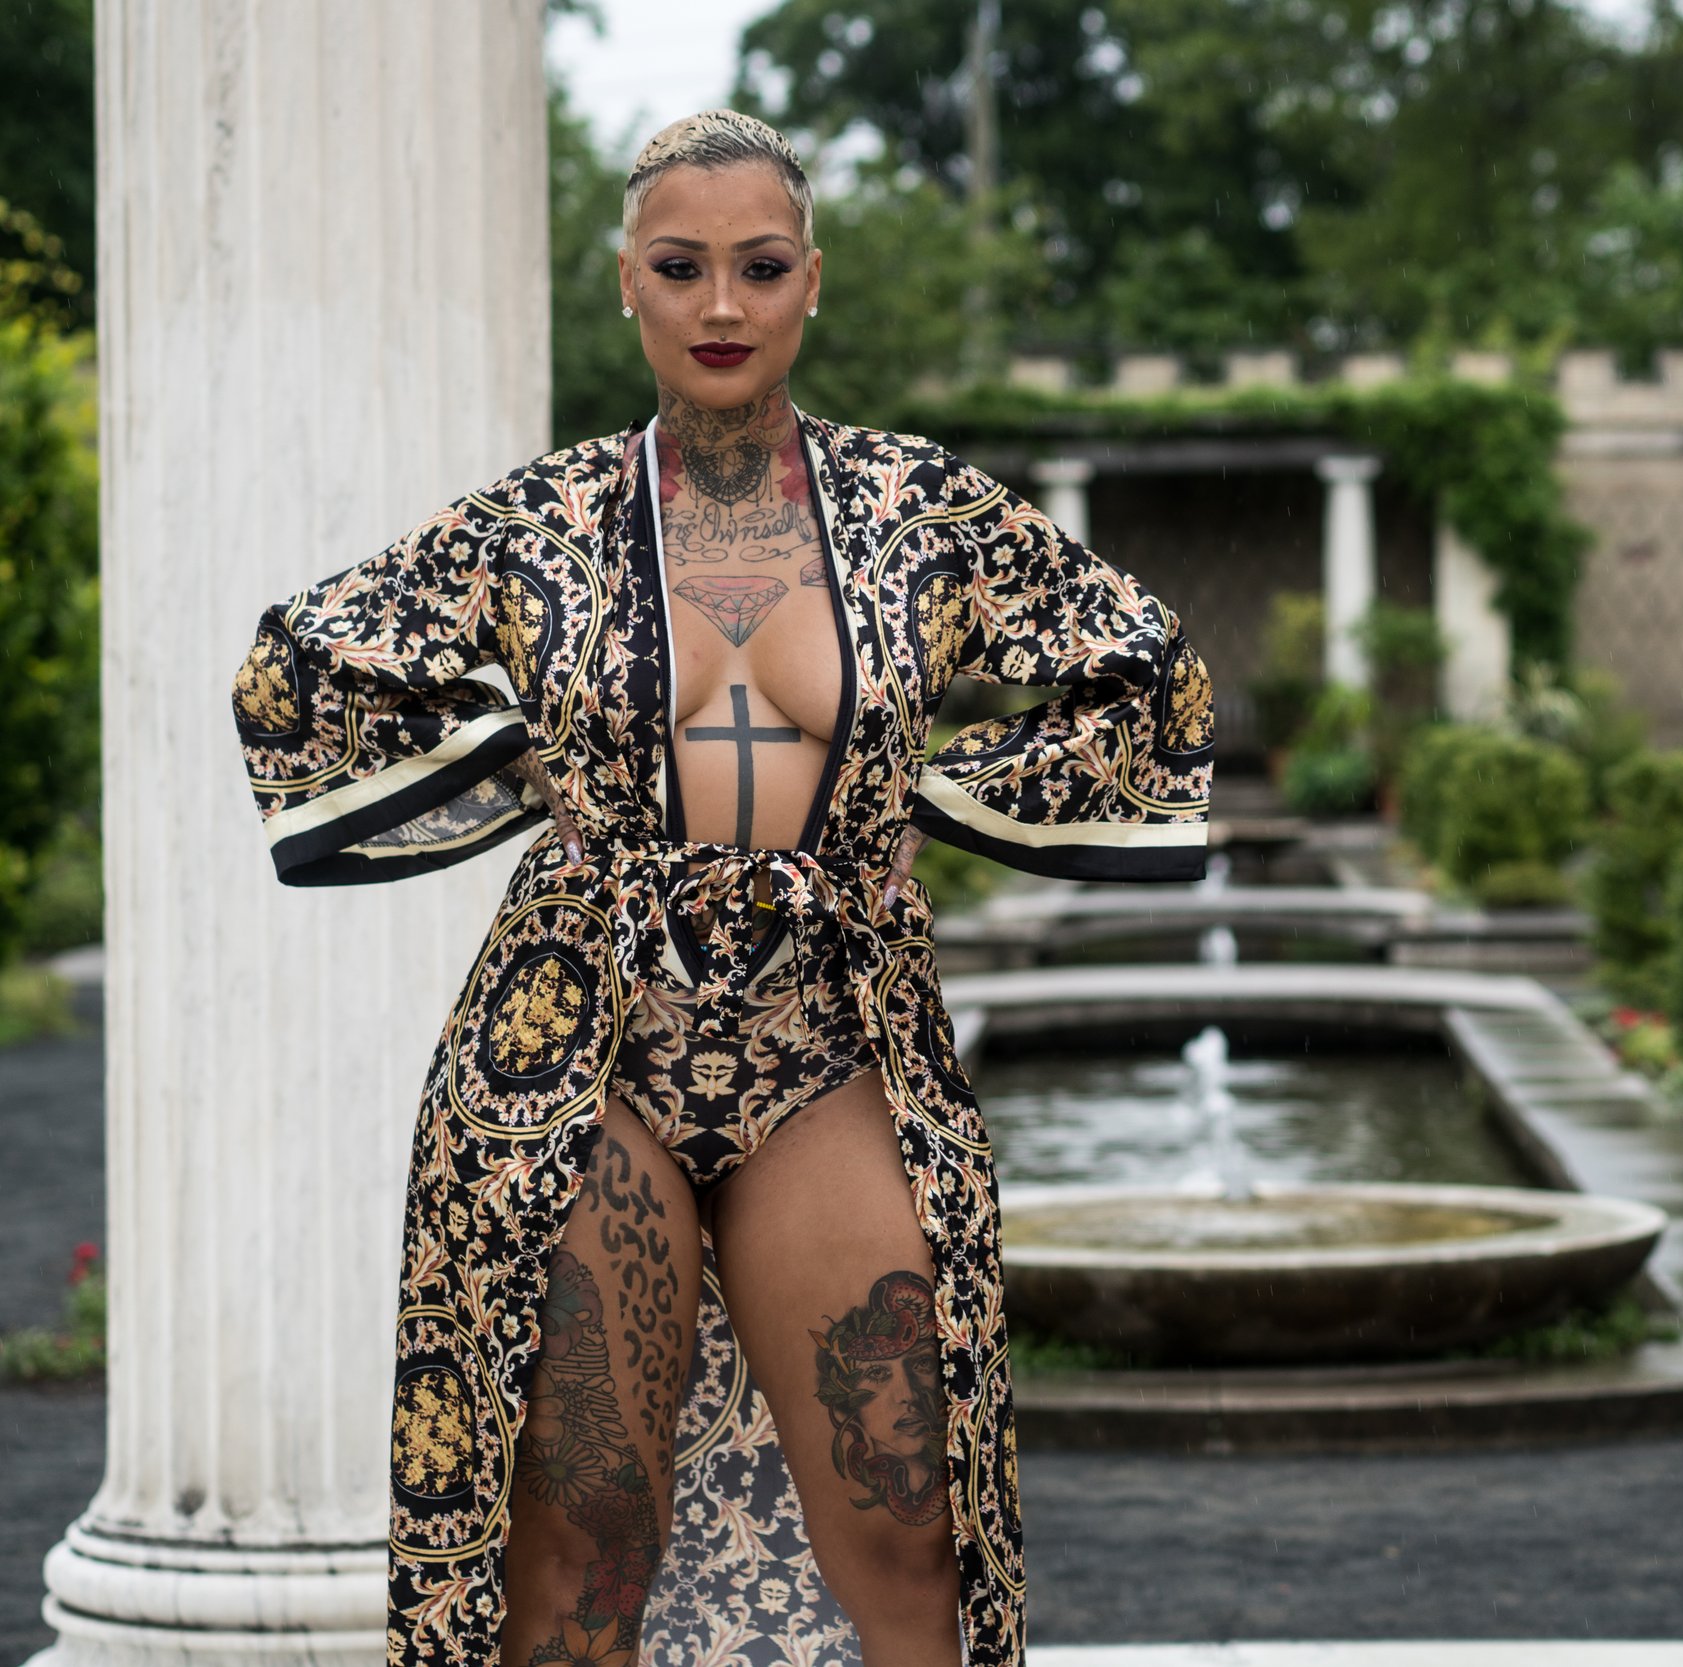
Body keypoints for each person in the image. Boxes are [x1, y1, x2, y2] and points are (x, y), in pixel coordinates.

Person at [230, 109, 1214, 1667]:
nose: (721, 307)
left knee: (908, 1532)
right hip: (581, 1053)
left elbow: (1147, 672)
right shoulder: (538, 522)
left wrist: (939, 805)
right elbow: (300, 669)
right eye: (681, 270)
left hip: (830, 1038)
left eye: (759, 269)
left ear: (810, 283)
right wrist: (518, 773)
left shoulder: (916, 513)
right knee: (577, 1553)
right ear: (628, 282)